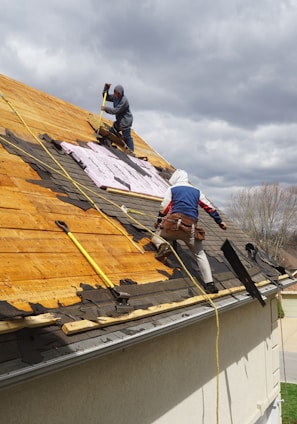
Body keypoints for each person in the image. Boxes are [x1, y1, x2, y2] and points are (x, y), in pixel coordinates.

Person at [151, 169, 227, 294]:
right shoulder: (197, 191)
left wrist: (158, 222)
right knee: (200, 254)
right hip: (189, 228)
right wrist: (220, 222)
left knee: (155, 236)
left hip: (173, 225)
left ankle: (163, 246)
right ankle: (210, 284)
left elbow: (164, 207)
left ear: (175, 179)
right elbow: (209, 207)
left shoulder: (173, 189)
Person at [100, 83, 134, 151]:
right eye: (115, 93)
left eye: (117, 93)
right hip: (119, 120)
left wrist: (105, 108)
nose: (115, 95)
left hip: (125, 122)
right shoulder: (115, 97)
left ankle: (131, 151)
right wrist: (106, 88)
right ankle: (108, 141)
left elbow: (116, 111)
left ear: (120, 93)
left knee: (127, 137)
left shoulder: (124, 101)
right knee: (111, 131)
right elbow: (106, 97)